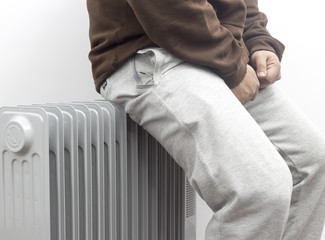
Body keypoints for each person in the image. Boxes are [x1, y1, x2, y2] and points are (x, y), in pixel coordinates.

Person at [86, 0, 325, 239]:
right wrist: (233, 67)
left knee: (311, 163)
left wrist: (257, 41)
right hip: (151, 53)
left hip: (222, 53)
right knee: (258, 191)